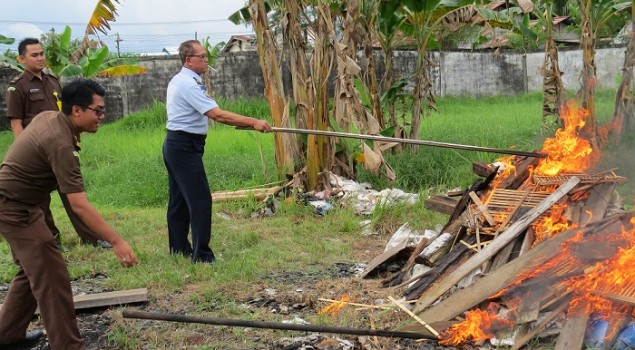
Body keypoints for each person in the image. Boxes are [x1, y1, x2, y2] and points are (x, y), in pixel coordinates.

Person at [0, 78, 139, 349]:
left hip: (24, 204)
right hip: (14, 208)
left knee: (33, 272)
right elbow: (79, 205)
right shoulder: (60, 142)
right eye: (97, 111)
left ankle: (6, 335)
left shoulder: (51, 118)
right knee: (52, 277)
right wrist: (117, 241)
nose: (102, 116)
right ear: (77, 110)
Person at [163, 39, 272, 264]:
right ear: (188, 60)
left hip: (179, 144)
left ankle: (179, 248)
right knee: (200, 200)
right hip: (183, 147)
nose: (206, 60)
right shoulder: (188, 84)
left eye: (206, 56)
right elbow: (217, 114)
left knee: (179, 200)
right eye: (201, 57)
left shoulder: (185, 79)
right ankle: (201, 255)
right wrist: (253, 122)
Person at [5, 37, 111, 250]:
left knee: (72, 192)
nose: (40, 58)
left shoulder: (52, 81)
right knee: (40, 199)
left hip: (61, 144)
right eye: (34, 55)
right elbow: (17, 122)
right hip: (38, 150)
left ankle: (91, 237)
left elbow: (67, 113)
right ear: (21, 58)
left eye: (42, 53)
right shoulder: (18, 87)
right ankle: (51, 239)